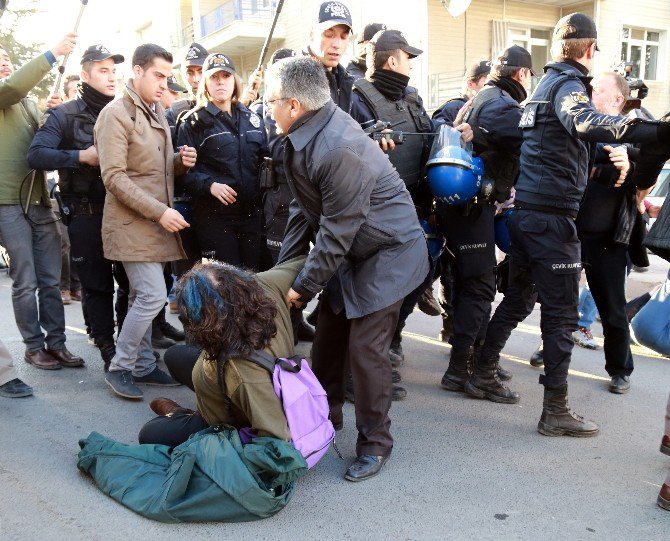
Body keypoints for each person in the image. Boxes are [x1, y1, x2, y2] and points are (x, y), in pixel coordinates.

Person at [476, 13, 669, 436]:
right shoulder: (567, 87)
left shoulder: (543, 86)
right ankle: (555, 410)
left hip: (530, 214)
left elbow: (561, 145)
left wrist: (617, 154)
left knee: (518, 300)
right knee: (562, 316)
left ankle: (480, 370)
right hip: (551, 219)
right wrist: (638, 127)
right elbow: (584, 122)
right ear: (589, 49)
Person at [267, 56, 429, 481]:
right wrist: (283, 275)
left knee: (365, 347)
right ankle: (325, 417)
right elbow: (304, 213)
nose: (269, 110)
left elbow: (336, 232)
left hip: (390, 251)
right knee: (329, 335)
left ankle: (376, 443)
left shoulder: (336, 146)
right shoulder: (308, 134)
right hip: (356, 248)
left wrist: (300, 289)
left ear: (294, 106)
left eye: (272, 102)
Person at [95, 43, 197, 399]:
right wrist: (160, 211)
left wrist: (179, 162)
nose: (163, 84)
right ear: (137, 71)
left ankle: (141, 365)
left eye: (167, 77)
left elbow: (153, 169)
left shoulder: (155, 112)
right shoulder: (115, 114)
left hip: (153, 226)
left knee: (143, 294)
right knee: (153, 295)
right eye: (158, 75)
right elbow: (114, 177)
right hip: (132, 225)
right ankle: (120, 366)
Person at [438, 45, 532, 404]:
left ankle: (468, 360)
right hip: (472, 206)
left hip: (469, 206)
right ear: (522, 75)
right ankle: (460, 370)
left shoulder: (485, 97)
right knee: (479, 286)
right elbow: (529, 137)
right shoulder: (502, 105)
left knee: (472, 283)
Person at [350, 28, 438, 399]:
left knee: (416, 278)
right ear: (391, 60)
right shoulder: (358, 98)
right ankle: (366, 368)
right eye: (407, 58)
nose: (411, 66)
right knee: (379, 291)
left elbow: (428, 134)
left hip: (415, 204)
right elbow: (347, 154)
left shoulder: (411, 99)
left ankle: (389, 343)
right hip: (378, 211)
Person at [28, 44, 126, 371]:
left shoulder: (125, 109)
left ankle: (131, 348)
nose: (111, 77)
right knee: (97, 285)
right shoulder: (64, 113)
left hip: (125, 211)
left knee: (130, 282)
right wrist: (79, 156)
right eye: (103, 70)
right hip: (85, 212)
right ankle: (109, 351)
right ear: (85, 74)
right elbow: (37, 155)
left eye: (114, 70)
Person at [138, 256, 307, 447]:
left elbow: (277, 442)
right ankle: (189, 413)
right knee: (174, 355)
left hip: (228, 416)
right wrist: (303, 290)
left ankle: (184, 415)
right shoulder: (264, 284)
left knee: (150, 434)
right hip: (232, 385)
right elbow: (309, 261)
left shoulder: (244, 371)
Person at [0, 34, 85, 371]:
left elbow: (43, 149)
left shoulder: (29, 104)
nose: (5, 60)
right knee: (26, 280)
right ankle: (33, 347)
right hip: (7, 202)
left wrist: (48, 115)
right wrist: (52, 53)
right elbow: (13, 88)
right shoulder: (10, 94)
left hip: (38, 200)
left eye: (6, 56)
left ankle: (57, 344)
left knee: (50, 278)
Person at [177, 53, 268, 271]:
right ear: (205, 83)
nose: (220, 81)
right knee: (229, 285)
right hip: (215, 219)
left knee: (255, 281)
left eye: (226, 76)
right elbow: (183, 174)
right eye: (214, 76)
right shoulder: (192, 123)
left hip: (252, 216)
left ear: (234, 81)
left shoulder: (252, 119)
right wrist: (210, 185)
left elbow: (264, 162)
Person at [253, 47, 316, 343]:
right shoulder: (266, 110)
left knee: (301, 262)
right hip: (280, 196)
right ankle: (279, 331)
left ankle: (296, 320)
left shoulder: (304, 105)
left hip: (303, 192)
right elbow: (277, 147)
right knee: (282, 264)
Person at [431, 59, 491, 342]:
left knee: (464, 277)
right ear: (471, 84)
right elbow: (440, 150)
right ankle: (452, 327)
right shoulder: (454, 109)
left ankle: (458, 333)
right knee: (451, 273)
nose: (488, 90)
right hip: (453, 206)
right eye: (485, 84)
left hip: (478, 207)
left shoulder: (491, 112)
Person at [305, 1, 355, 113]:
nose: (337, 45)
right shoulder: (291, 78)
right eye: (329, 35)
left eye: (343, 37)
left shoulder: (347, 80)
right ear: (311, 35)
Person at [432, 60, 491, 128]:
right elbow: (437, 133)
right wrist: (454, 128)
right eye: (486, 81)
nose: (491, 86)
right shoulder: (452, 107)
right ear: (470, 84)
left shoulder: (490, 107)